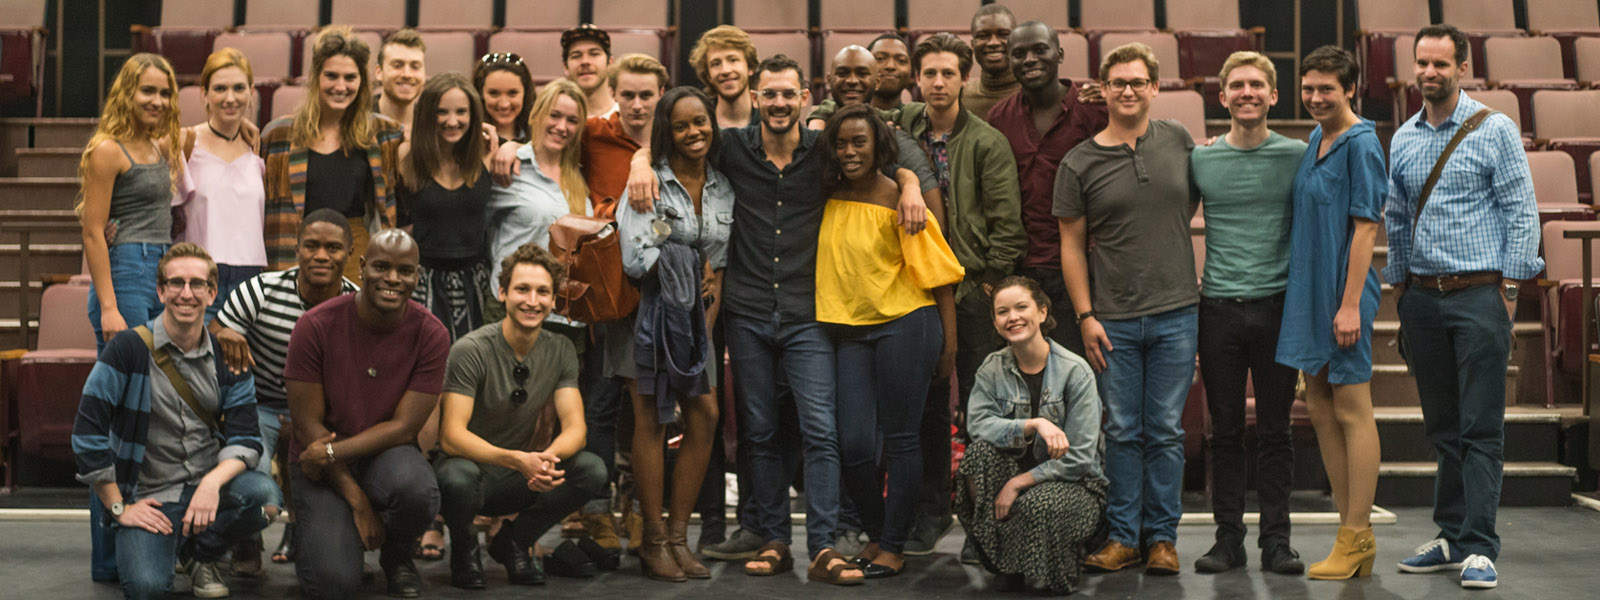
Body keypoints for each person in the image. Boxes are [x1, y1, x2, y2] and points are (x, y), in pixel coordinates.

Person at [624, 53, 928, 584]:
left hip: (810, 313)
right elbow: (673, 145)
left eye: (789, 94)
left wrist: (909, 183)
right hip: (745, 312)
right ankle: (772, 539)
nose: (780, 103)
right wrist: (639, 162)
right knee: (759, 433)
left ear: (805, 96)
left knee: (821, 431)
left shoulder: (824, 150)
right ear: (755, 98)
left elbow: (890, 154)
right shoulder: (733, 147)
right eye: (770, 94)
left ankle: (824, 545)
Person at [1384, 24, 1540, 590]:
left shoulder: (1494, 129)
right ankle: (1450, 535)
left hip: (1479, 294)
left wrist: (1511, 292)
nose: (1428, 72)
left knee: (1480, 426)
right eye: (1421, 63)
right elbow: (1397, 222)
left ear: (1463, 68)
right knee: (1443, 427)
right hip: (1422, 299)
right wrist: (1400, 292)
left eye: (1440, 64)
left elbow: (1523, 212)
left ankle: (1479, 545)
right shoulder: (1402, 138)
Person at [1055, 42, 1198, 576]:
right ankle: (1122, 537)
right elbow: (1071, 245)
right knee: (1120, 430)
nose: (1129, 90)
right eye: (1119, 82)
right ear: (1104, 90)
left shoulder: (1179, 140)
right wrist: (1086, 315)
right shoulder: (1079, 161)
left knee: (1164, 429)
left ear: (1155, 88)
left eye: (1139, 81)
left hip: (1178, 311)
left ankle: (1161, 538)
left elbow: (1187, 207)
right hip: (1110, 318)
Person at [72, 243, 277, 600]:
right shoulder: (127, 350)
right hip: (149, 497)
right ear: (160, 290)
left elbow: (247, 437)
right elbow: (87, 432)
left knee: (265, 497)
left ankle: (202, 554)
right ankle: (172, 544)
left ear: (212, 292)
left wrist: (212, 483)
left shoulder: (228, 357)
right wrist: (119, 506)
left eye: (197, 284)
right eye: (176, 283)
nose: (187, 293)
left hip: (205, 489)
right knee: (146, 588)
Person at [890, 32, 1027, 557]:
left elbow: (1008, 230)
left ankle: (985, 523)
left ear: (963, 78)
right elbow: (838, 111)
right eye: (930, 73)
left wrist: (985, 288)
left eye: (949, 73)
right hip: (911, 288)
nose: (939, 82)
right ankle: (930, 513)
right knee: (924, 408)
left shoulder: (987, 141)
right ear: (915, 79)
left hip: (970, 291)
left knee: (982, 409)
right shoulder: (900, 127)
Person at [817, 104, 964, 579]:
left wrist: (950, 347)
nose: (849, 151)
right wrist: (909, 177)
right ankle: (877, 534)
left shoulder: (901, 200)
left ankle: (893, 547)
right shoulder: (827, 192)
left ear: (879, 145)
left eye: (859, 141)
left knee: (902, 440)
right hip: (850, 330)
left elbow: (941, 278)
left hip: (907, 323)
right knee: (855, 443)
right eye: (841, 143)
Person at [1189, 51, 1308, 576]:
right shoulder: (1201, 159)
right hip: (1217, 309)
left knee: (1279, 429)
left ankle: (1277, 542)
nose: (1247, 93)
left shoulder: (1299, 154)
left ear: (1273, 95)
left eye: (1257, 85)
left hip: (1280, 306)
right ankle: (1228, 540)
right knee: (1225, 431)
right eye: (1236, 85)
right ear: (1223, 96)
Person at [284, 229, 448, 599]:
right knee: (333, 584)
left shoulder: (431, 334)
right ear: (361, 267)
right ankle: (339, 536)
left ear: (417, 276)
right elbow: (308, 425)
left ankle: (397, 557)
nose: (392, 279)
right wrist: (357, 501)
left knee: (418, 490)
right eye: (381, 267)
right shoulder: (315, 326)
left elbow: (404, 427)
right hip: (321, 470)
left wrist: (331, 452)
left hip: (378, 457)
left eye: (404, 271)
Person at [1273, 45, 1385, 582]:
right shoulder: (1317, 137)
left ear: (1350, 90)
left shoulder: (1362, 143)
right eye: (1309, 88)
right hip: (1307, 291)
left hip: (1344, 295)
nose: (1316, 98)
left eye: (1327, 90)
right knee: (1318, 405)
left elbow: (1366, 228)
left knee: (1351, 408)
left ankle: (1358, 534)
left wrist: (1348, 305)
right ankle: (1349, 534)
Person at [435, 242, 608, 589]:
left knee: (591, 469)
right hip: (472, 471)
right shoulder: (470, 349)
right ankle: (465, 550)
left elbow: (575, 427)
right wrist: (519, 461)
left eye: (543, 292)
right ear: (502, 293)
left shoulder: (560, 349)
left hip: (520, 474)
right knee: (457, 478)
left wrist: (546, 460)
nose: (533, 300)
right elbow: (451, 437)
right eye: (522, 289)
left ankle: (513, 541)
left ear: (554, 300)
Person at [615, 86, 732, 582]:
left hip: (694, 327)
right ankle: (653, 539)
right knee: (652, 419)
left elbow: (720, 268)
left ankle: (681, 535)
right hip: (646, 317)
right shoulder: (648, 183)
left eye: (700, 121)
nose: (693, 132)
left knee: (705, 413)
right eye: (682, 125)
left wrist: (702, 332)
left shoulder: (724, 186)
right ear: (668, 131)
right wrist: (685, 258)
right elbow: (635, 259)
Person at [76, 53, 186, 581]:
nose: (157, 101)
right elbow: (94, 230)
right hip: (125, 275)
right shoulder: (107, 150)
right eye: (147, 91)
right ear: (127, 92)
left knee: (150, 414)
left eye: (164, 93)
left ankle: (141, 542)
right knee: (120, 418)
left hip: (158, 266)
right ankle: (107, 559)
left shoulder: (163, 144)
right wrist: (112, 306)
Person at [212, 209, 358, 567]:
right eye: (311, 245)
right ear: (297, 249)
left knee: (330, 464)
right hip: (258, 403)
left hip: (319, 411)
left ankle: (307, 531)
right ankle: (247, 538)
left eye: (333, 248)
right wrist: (224, 333)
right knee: (249, 467)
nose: (321, 255)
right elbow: (212, 333)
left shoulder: (356, 304)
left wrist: (306, 420)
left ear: (349, 254)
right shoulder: (260, 291)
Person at [957, 275, 1106, 595]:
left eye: (1021, 307)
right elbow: (978, 425)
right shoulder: (991, 368)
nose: (1012, 317)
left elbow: (1080, 458)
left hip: (1074, 484)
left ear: (1041, 312)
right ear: (995, 322)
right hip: (1014, 469)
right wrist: (1033, 424)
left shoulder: (1075, 371)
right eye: (1002, 311)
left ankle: (1060, 563)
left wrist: (1017, 483)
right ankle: (1004, 563)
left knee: (1036, 504)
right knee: (976, 457)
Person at [985, 20, 1108, 359]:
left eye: (1040, 50)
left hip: (1086, 268)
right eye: (1019, 54)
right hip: (1022, 267)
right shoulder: (999, 117)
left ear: (1060, 53)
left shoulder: (1094, 108)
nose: (1030, 60)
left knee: (1083, 376)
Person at [262, 26, 406, 281]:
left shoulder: (383, 134)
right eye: (331, 76)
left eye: (350, 77)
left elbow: (434, 136)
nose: (341, 86)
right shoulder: (279, 135)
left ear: (362, 81)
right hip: (295, 250)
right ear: (316, 77)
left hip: (354, 252)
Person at [486, 79, 590, 333]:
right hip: (511, 308)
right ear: (536, 114)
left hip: (567, 315)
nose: (562, 126)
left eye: (572, 120)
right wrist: (510, 146)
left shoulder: (580, 176)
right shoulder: (507, 165)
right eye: (554, 115)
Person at [397, 73, 494, 341]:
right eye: (442, 112)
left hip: (475, 281)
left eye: (461, 112)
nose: (453, 121)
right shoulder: (406, 156)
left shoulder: (489, 153)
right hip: (421, 279)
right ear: (428, 115)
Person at [177, 48, 268, 323]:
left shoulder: (257, 144)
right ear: (204, 93)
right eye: (220, 89)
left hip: (252, 281)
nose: (230, 98)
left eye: (239, 88)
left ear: (251, 92)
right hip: (199, 278)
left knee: (244, 366)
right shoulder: (185, 142)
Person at [689, 25, 758, 129]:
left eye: (733, 60)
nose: (725, 70)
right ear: (708, 76)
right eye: (716, 64)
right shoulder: (697, 125)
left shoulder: (769, 121)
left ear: (750, 67)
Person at [963, 3, 1020, 122]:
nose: (993, 43)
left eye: (1003, 34)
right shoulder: (960, 98)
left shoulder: (1037, 96)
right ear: (972, 45)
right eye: (983, 36)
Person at [474, 52, 534, 146]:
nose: (504, 104)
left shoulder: (541, 136)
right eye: (494, 93)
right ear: (480, 94)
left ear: (525, 93)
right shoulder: (469, 139)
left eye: (512, 93)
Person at [374, 29, 427, 132]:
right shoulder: (357, 119)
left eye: (415, 67)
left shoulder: (433, 124)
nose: (407, 74)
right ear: (379, 72)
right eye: (397, 66)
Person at [563, 24, 617, 118]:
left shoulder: (625, 118)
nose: (585, 62)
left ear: (610, 63)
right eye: (576, 56)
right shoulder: (556, 124)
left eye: (594, 54)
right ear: (565, 67)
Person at [868, 33, 913, 112]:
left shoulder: (920, 120)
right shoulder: (847, 118)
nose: (890, 66)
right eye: (880, 58)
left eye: (901, 60)